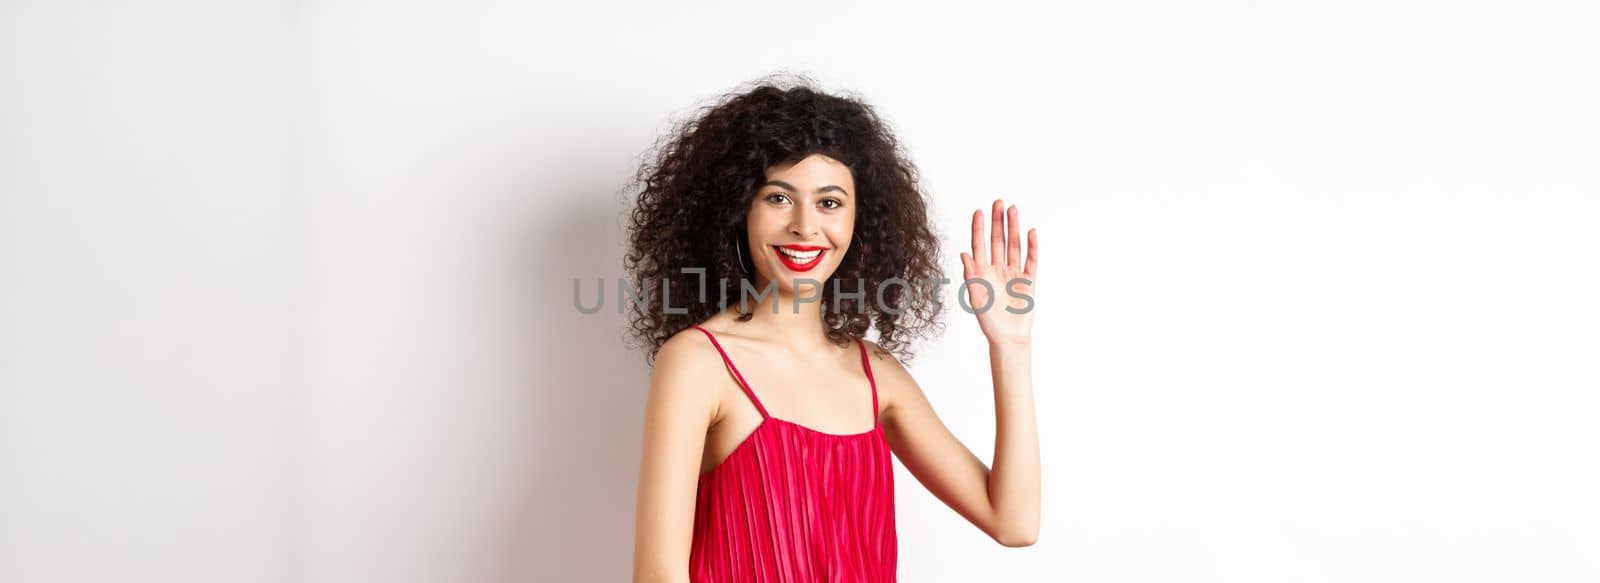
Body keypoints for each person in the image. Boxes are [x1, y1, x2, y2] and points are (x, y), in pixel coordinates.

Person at [625, 76, 1041, 583]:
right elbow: (658, 576)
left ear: (859, 221)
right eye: (778, 198)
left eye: (829, 202)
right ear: (738, 211)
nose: (805, 226)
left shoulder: (877, 375)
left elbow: (1014, 523)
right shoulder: (698, 362)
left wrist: (1010, 346)